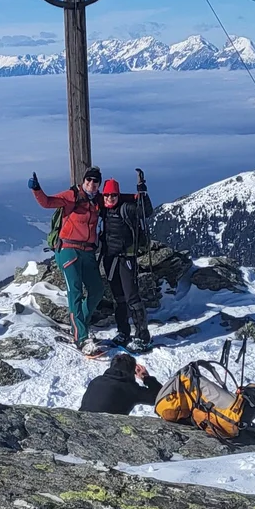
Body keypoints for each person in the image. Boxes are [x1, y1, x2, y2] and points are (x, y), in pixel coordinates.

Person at [31, 166, 107, 355]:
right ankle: (81, 337)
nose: (91, 184)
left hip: (88, 251)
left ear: (99, 184)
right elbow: (47, 202)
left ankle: (78, 323)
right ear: (83, 181)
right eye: (88, 180)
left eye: (95, 181)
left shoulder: (98, 200)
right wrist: (36, 189)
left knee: (97, 290)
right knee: (75, 291)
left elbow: (118, 198)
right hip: (68, 249)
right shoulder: (72, 195)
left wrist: (138, 196)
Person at [96, 168, 154, 352]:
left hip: (126, 259)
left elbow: (146, 212)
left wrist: (141, 191)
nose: (110, 198)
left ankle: (143, 337)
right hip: (110, 259)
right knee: (118, 298)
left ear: (118, 195)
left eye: (113, 195)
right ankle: (124, 333)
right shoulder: (103, 210)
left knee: (132, 298)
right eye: (107, 195)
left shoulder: (126, 208)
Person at [78, 353, 163, 415]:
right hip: (104, 433)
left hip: (80, 424)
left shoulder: (96, 381)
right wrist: (146, 377)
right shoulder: (130, 389)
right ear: (131, 372)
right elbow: (159, 397)